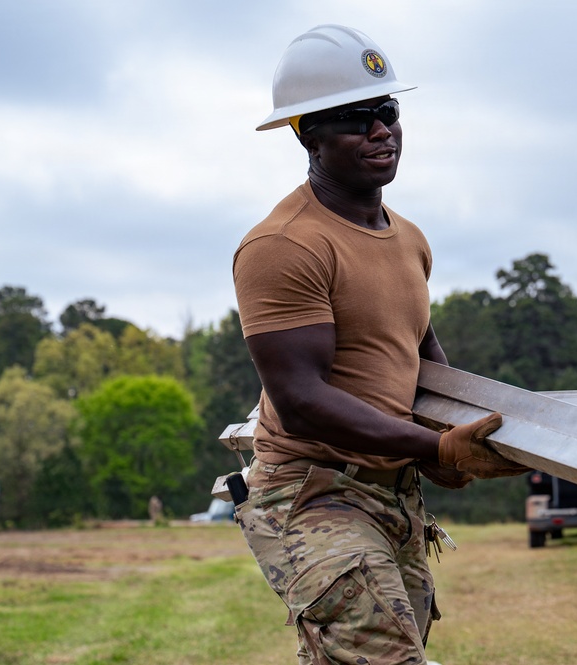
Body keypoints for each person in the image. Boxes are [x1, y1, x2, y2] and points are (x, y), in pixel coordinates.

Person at [232, 25, 528, 665]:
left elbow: (420, 358)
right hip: (314, 494)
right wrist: (437, 444)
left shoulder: (409, 238)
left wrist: (448, 441)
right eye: (353, 119)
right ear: (305, 132)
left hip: (394, 494)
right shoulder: (283, 246)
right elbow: (302, 398)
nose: (379, 130)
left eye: (387, 112)